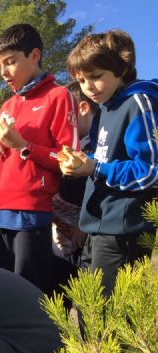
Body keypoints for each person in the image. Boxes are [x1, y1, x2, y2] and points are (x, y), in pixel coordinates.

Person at [0, 23, 79, 294]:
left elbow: (67, 160)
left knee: (28, 292)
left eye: (10, 62)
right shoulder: (8, 105)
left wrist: (25, 146)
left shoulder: (58, 97)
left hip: (30, 213)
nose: (3, 72)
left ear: (34, 55)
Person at [62, 30, 158, 296]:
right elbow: (103, 158)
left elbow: (150, 170)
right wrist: (83, 162)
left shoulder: (139, 103)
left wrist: (95, 168)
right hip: (96, 224)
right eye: (81, 80)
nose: (88, 87)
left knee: (112, 316)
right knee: (87, 308)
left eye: (95, 77)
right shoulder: (103, 107)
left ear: (121, 69)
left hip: (122, 230)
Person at [50, 81, 96, 294]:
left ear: (84, 108)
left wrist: (82, 224)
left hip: (86, 234)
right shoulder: (70, 146)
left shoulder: (96, 149)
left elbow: (93, 191)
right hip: (62, 232)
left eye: (67, 115)